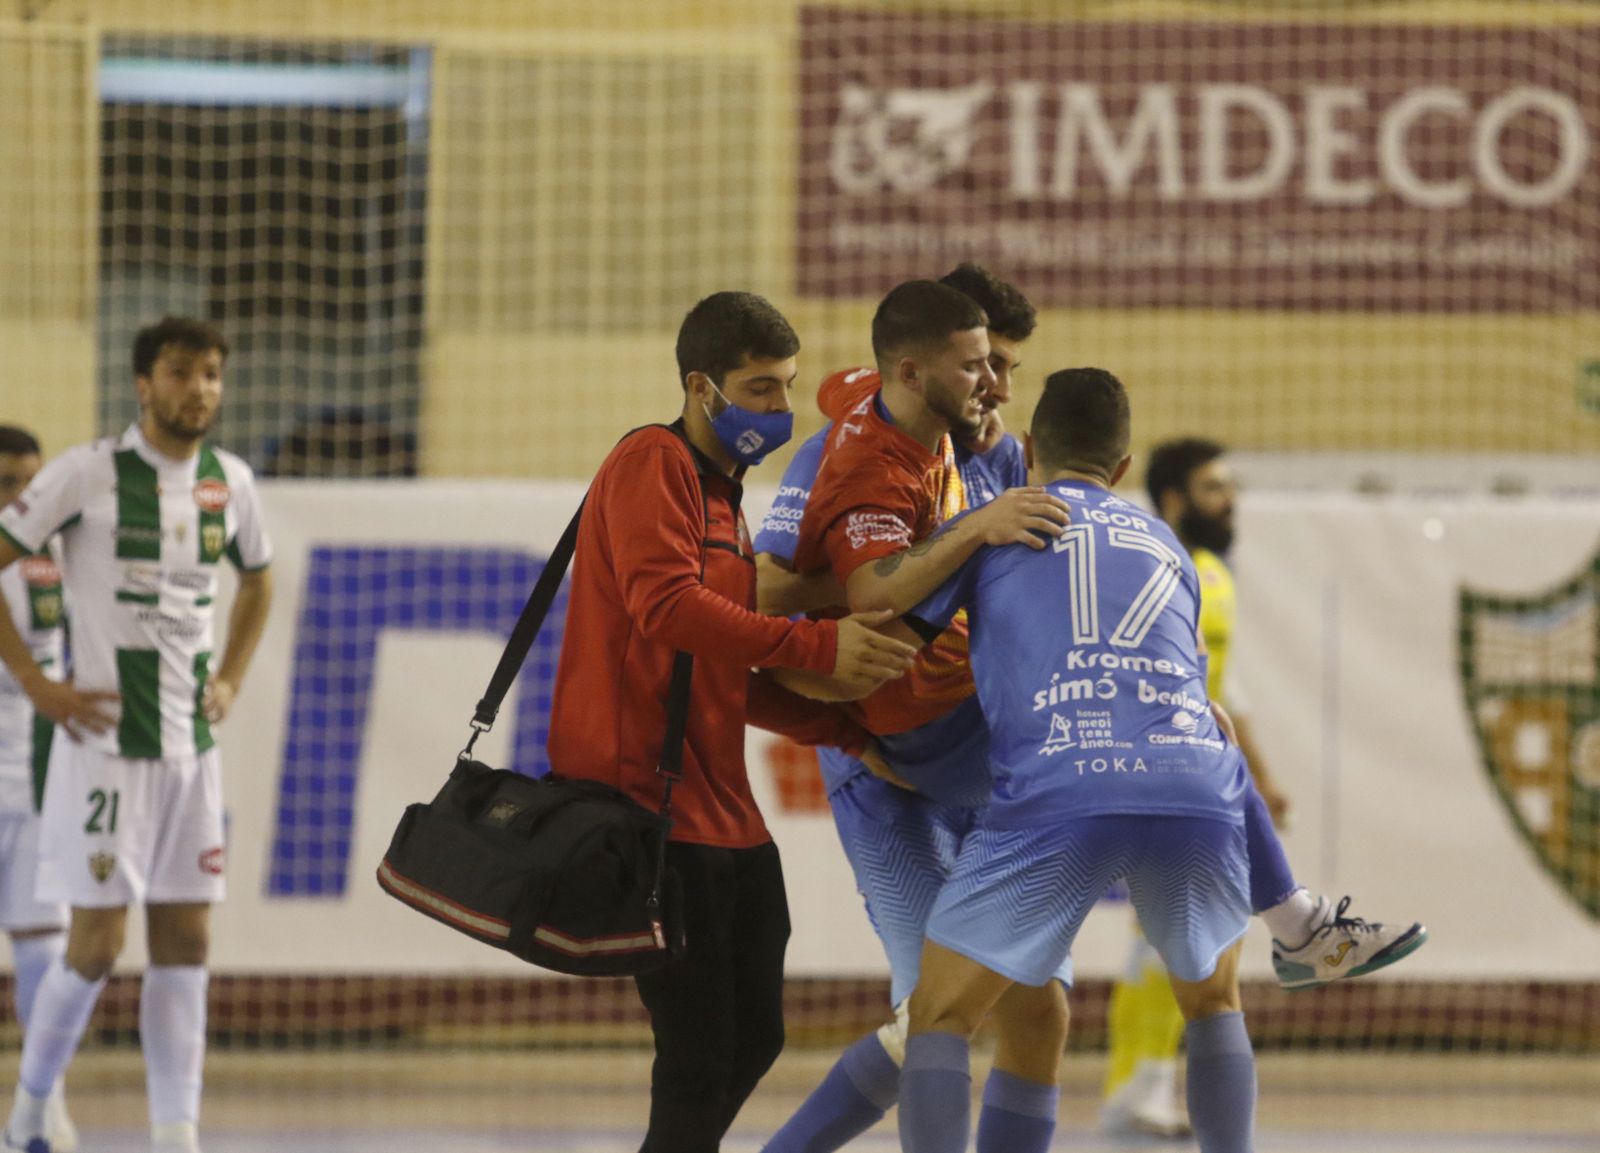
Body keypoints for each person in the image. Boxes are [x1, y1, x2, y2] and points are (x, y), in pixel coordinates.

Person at [543, 290, 920, 1153]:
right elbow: (666, 606)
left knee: (756, 1036)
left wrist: (850, 736)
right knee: (699, 1055)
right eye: (758, 388)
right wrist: (820, 644)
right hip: (648, 806)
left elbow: (723, 672)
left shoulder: (727, 498)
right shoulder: (652, 461)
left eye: (786, 386)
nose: (778, 408)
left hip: (720, 808)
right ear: (698, 386)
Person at [894, 367, 1260, 1153]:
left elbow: (888, 624)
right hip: (1191, 782)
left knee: (941, 1014)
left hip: (1059, 786)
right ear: (1123, 468)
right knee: (1213, 1002)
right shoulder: (1172, 547)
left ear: (1029, 448)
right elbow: (1203, 698)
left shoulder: (995, 527)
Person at [760, 274, 1077, 1153]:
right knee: (934, 1012)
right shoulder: (843, 452)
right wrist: (890, 575)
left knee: (1040, 1005)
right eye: (986, 365)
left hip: (981, 748)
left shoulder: (995, 455)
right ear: (926, 365)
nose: (999, 390)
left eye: (1007, 369)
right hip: (885, 762)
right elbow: (758, 591)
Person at [0, 317, 275, 1153]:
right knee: (95, 945)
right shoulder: (86, 473)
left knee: (188, 940)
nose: (200, 388)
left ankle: (175, 1132)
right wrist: (38, 683)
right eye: (182, 372)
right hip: (105, 751)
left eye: (212, 373)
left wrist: (231, 676)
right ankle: (28, 1112)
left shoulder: (231, 482)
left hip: (191, 753)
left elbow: (258, 581)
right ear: (144, 384)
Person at [1099, 436, 1290, 1136]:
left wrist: (1260, 775)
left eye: (1231, 485)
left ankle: (1140, 1090)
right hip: (1154, 776)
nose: (1230, 499)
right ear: (1175, 497)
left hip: (1202, 782)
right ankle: (1134, 1091)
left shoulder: (1215, 573)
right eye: (1214, 487)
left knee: (1176, 939)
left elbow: (1223, 687)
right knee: (1168, 940)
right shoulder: (1151, 567)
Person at [0, 429, 75, 1153]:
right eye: (4, 484)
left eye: (32, 482)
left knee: (44, 953)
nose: (22, 498)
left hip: (33, 786)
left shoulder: (60, 558)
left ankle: (43, 1104)